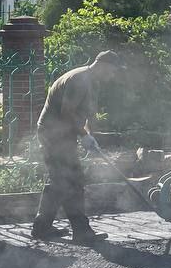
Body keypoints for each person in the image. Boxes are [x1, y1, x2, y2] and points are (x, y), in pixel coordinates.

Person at [31, 51, 125, 245]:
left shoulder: (92, 82)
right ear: (103, 65)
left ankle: (43, 227)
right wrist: (83, 136)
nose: (113, 76)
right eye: (113, 71)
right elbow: (67, 112)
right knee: (71, 180)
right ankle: (81, 231)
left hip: (63, 134)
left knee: (60, 180)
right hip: (53, 133)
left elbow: (85, 116)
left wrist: (90, 136)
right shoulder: (78, 80)